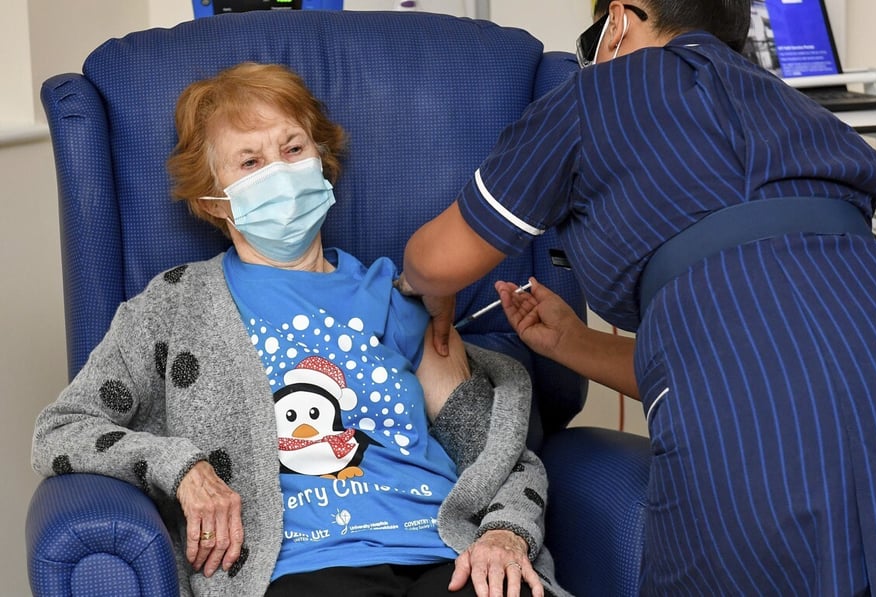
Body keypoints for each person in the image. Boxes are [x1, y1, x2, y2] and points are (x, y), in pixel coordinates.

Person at [399, 1, 876, 594]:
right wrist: (570, 342)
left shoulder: (594, 97)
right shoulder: (794, 106)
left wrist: (427, 289)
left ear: (618, 20)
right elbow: (779, 347)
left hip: (763, 415)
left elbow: (437, 259)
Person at [31, 62, 571, 597]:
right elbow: (61, 431)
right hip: (298, 568)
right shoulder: (174, 306)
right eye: (250, 162)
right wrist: (182, 468)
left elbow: (497, 454)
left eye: (293, 150)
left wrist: (505, 531)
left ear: (322, 160)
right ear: (211, 200)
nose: (280, 174)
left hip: (445, 555)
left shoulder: (395, 298)